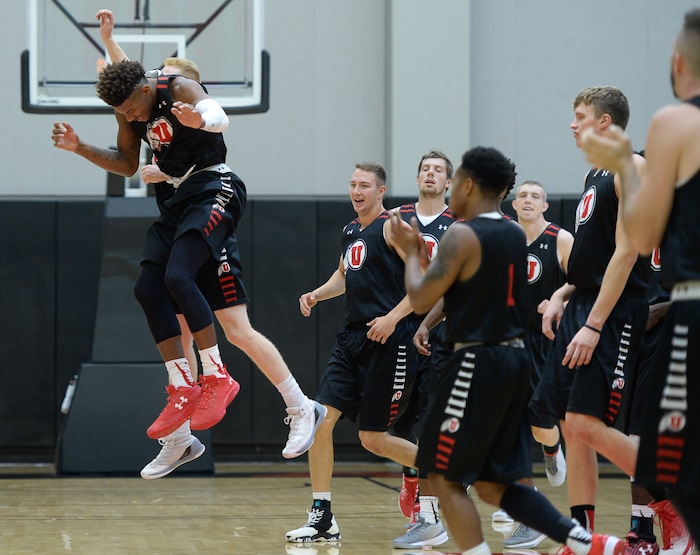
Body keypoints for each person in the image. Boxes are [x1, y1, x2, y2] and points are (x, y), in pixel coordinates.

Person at [51, 55, 324, 479]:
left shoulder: (176, 87)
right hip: (178, 211)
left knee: (234, 327)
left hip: (214, 192)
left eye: (130, 110)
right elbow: (125, 164)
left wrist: (202, 122)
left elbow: (217, 116)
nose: (128, 118)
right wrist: (80, 147)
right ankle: (180, 425)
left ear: (146, 89)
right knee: (152, 290)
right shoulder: (131, 105)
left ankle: (295, 403)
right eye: (121, 114)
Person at [389, 145, 624, 555]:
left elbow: (422, 297)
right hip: (514, 363)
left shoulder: (463, 233)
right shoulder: (514, 233)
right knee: (495, 484)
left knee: (442, 475)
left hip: (475, 363)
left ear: (467, 185)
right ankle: (588, 541)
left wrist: (412, 254)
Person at [580, 7, 700, 547]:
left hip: (683, 306)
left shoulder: (675, 123)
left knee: (665, 442)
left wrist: (626, 166)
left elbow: (642, 237)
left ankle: (658, 524)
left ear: (678, 63)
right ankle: (647, 529)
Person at [528, 86, 649, 546]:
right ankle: (582, 536)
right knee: (568, 424)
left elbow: (626, 252)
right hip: (585, 303)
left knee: (584, 423)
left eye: (580, 116)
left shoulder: (630, 167)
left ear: (604, 122)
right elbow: (590, 259)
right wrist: (561, 293)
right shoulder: (592, 177)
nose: (572, 125)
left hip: (614, 310)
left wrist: (595, 324)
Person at [285, 162, 421, 545]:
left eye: (365, 185)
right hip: (351, 339)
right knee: (318, 423)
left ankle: (442, 471)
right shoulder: (350, 231)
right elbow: (344, 276)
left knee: (373, 439)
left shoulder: (395, 227)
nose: (357, 191)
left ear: (381, 191)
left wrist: (393, 318)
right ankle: (322, 517)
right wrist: (317, 293)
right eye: (353, 184)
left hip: (388, 339)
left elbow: (426, 282)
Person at [489, 179, 575, 549]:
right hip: (507, 342)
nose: (527, 200)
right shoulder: (502, 239)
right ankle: (524, 510)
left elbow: (586, 287)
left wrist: (557, 305)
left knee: (539, 423)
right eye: (521, 195)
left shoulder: (561, 239)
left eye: (534, 196)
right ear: (512, 204)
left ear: (545, 206)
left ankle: (552, 449)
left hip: (544, 343)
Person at [390, 149, 456, 549]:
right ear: (417, 179)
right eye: (425, 169)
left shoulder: (458, 225)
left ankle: (429, 511)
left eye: (438, 171)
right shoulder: (397, 220)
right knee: (396, 419)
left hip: (443, 329)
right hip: (400, 324)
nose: (430, 174)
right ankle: (412, 474)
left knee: (432, 417)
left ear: (448, 182)